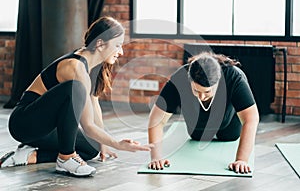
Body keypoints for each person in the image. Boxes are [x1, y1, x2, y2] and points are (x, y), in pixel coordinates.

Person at [0, 16, 152, 177]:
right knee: (75, 88)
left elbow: (94, 105)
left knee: (93, 147)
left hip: (47, 128)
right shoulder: (75, 67)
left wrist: (104, 143)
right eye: (117, 46)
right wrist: (117, 143)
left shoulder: (93, 65)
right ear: (100, 44)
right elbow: (87, 125)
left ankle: (29, 156)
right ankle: (66, 158)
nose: (121, 52)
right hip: (24, 124)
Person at [147, 52, 259, 174]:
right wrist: (156, 157)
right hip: (198, 126)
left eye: (207, 92)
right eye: (196, 90)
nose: (201, 96)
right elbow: (157, 120)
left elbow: (251, 119)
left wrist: (242, 160)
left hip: (229, 124)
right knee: (198, 136)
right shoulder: (179, 79)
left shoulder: (234, 77)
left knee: (229, 136)